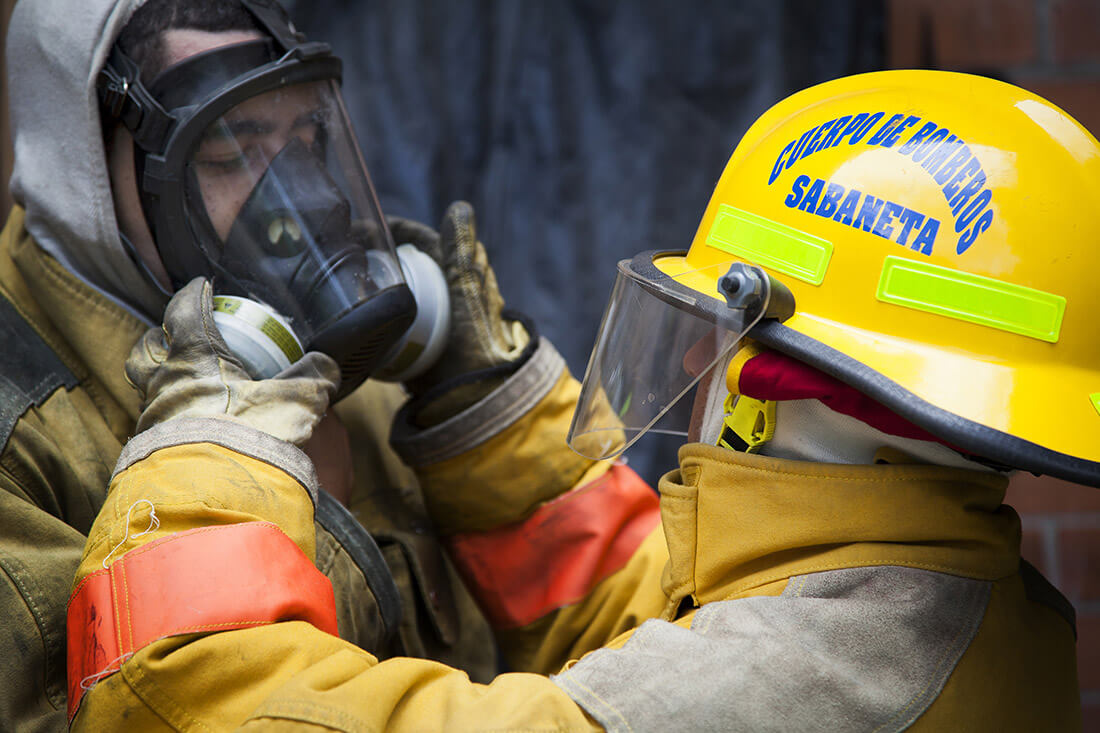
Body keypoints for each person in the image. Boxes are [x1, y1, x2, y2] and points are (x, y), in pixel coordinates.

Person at [67, 71, 1092, 729]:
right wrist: (485, 408)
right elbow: (651, 630)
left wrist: (211, 440)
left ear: (773, 376)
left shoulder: (809, 689)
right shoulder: (940, 601)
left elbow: (191, 700)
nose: (697, 355)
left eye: (711, 329)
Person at [0, 0, 565, 727]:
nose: (314, 199)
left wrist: (479, 424)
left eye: (307, 137)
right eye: (231, 153)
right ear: (83, 177)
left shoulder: (335, 367)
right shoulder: (21, 450)